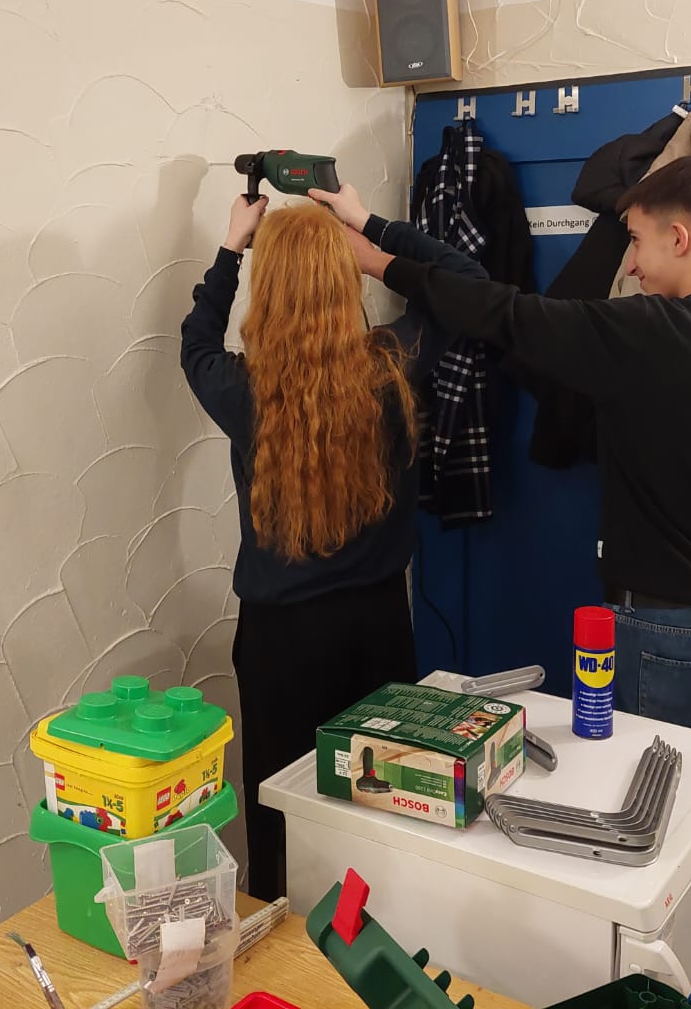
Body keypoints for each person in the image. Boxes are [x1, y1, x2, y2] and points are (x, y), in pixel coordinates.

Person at [328, 154, 691, 1009]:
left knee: (655, 869)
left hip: (665, 638)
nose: (629, 264)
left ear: (680, 236)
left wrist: (379, 259)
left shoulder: (652, 335)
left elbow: (504, 313)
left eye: (636, 240)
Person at [179, 189, 487, 900]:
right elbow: (466, 282)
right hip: (378, 630)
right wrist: (370, 233)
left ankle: (289, 950)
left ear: (269, 290)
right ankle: (376, 937)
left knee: (282, 818)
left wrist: (232, 244)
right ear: (344, 280)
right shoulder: (392, 365)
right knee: (381, 808)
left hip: (279, 643)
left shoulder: (242, 389)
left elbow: (195, 341)